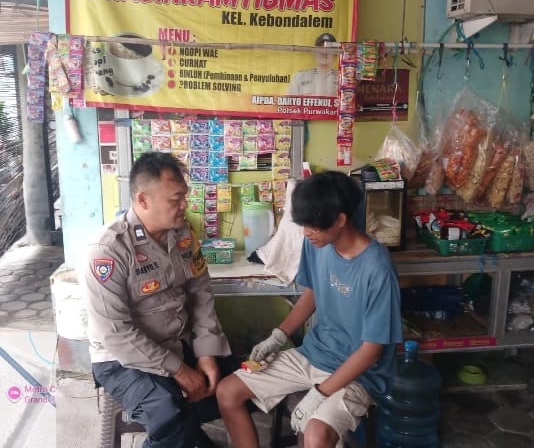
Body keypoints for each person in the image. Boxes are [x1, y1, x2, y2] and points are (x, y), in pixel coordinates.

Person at [216, 171, 403, 448]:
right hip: (314, 353)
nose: (306, 233)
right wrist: (278, 336)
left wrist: (319, 394)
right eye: (304, 225)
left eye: (313, 226)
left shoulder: (377, 268)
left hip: (360, 373)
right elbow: (313, 292)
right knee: (227, 392)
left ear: (340, 220)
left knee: (315, 434)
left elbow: (371, 350)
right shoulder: (318, 243)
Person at [82, 151, 232, 448]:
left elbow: (200, 292)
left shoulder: (184, 233)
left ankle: (191, 436)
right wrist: (180, 370)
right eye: (176, 199)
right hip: (122, 360)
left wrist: (206, 353)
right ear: (143, 200)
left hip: (178, 343)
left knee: (238, 385)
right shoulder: (109, 250)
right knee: (170, 416)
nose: (185, 205)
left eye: (184, 196)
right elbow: (116, 333)